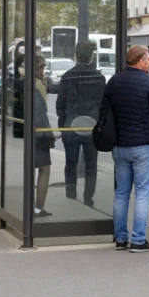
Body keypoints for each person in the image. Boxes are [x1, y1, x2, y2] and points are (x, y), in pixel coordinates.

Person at [101, 45, 149, 253]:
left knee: (121, 193)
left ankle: (121, 239)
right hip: (143, 146)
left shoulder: (114, 81)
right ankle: (139, 240)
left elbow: (104, 112)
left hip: (120, 146)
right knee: (142, 193)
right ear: (141, 61)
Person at [56, 41, 106, 207]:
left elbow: (60, 104)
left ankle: (71, 194)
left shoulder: (67, 76)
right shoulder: (99, 77)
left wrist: (63, 125)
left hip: (71, 125)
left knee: (70, 163)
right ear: (91, 58)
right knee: (91, 165)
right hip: (92, 127)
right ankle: (88, 198)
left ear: (75, 56)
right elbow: (103, 104)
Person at [34, 57, 55, 218]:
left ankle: (32, 207)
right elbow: (41, 114)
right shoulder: (36, 85)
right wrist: (49, 136)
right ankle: (38, 207)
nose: (43, 71)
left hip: (25, 133)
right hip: (38, 135)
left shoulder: (22, 83)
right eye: (41, 67)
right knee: (44, 169)